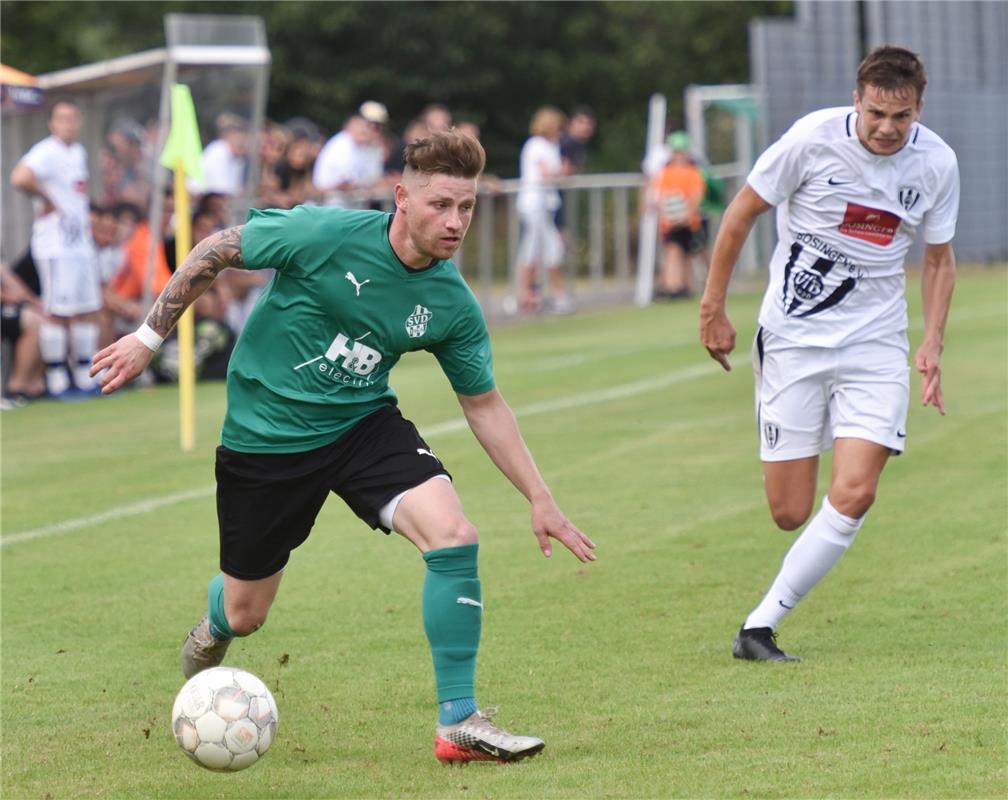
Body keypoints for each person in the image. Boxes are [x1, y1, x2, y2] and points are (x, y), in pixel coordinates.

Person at [91, 129, 596, 763]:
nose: (455, 221)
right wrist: (147, 336)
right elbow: (220, 247)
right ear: (401, 197)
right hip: (266, 437)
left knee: (455, 536)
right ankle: (215, 623)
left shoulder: (450, 302)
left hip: (362, 425)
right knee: (248, 614)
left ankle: (458, 722)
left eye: (466, 207)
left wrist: (539, 497)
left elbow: (484, 404)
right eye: (441, 204)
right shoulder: (324, 235)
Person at [698, 45, 958, 662]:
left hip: (875, 345)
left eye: (902, 116)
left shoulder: (937, 163)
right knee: (789, 512)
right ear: (856, 101)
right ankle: (762, 619)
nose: (888, 128)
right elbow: (739, 215)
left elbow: (939, 259)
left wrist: (932, 342)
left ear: (919, 107)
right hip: (791, 340)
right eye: (876, 114)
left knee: (856, 490)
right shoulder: (810, 140)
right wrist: (713, 306)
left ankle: (759, 627)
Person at [10, 100, 103, 397]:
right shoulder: (46, 151)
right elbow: (20, 177)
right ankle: (56, 377)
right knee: (56, 310)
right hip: (55, 243)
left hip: (80, 241)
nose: (68, 124)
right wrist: (45, 198)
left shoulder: (77, 152)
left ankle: (84, 374)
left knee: (86, 307)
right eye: (62, 118)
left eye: (73, 118)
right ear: (52, 123)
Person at [514, 106, 570, 314]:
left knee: (539, 249)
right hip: (533, 203)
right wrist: (560, 172)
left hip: (545, 204)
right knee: (542, 248)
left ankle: (531, 295)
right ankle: (547, 294)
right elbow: (548, 173)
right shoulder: (535, 145)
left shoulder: (550, 145)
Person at [648, 131, 706, 300]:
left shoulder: (693, 173)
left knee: (688, 254)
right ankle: (673, 286)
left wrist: (686, 214)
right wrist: (667, 214)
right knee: (673, 252)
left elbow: (696, 196)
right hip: (670, 221)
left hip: (689, 221)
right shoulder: (665, 173)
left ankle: (686, 286)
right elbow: (660, 196)